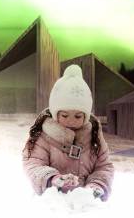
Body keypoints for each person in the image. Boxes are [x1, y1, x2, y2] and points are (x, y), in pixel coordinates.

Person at [21, 64, 114, 201]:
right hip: (52, 204)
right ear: (55, 114)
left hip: (86, 205)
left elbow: (104, 166)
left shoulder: (94, 137)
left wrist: (97, 185)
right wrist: (53, 179)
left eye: (78, 116)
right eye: (65, 116)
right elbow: (33, 163)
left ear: (86, 116)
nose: (71, 121)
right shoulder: (44, 136)